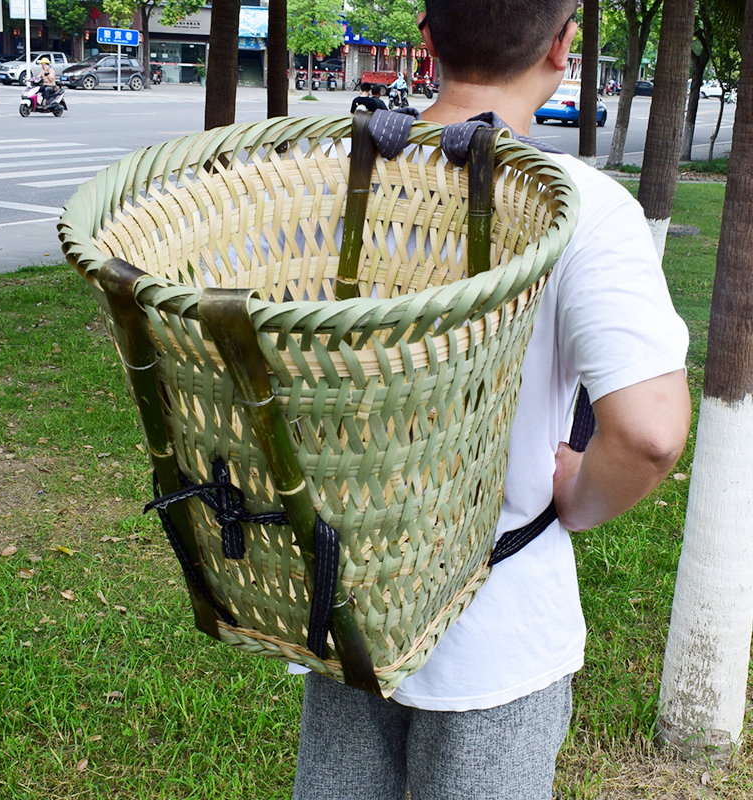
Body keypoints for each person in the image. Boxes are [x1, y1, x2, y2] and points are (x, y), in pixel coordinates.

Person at [291, 2, 691, 799]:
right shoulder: (583, 209)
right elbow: (649, 434)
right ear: (562, 46)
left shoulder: (327, 180)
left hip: (350, 595)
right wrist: (573, 498)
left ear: (426, 38)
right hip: (500, 621)